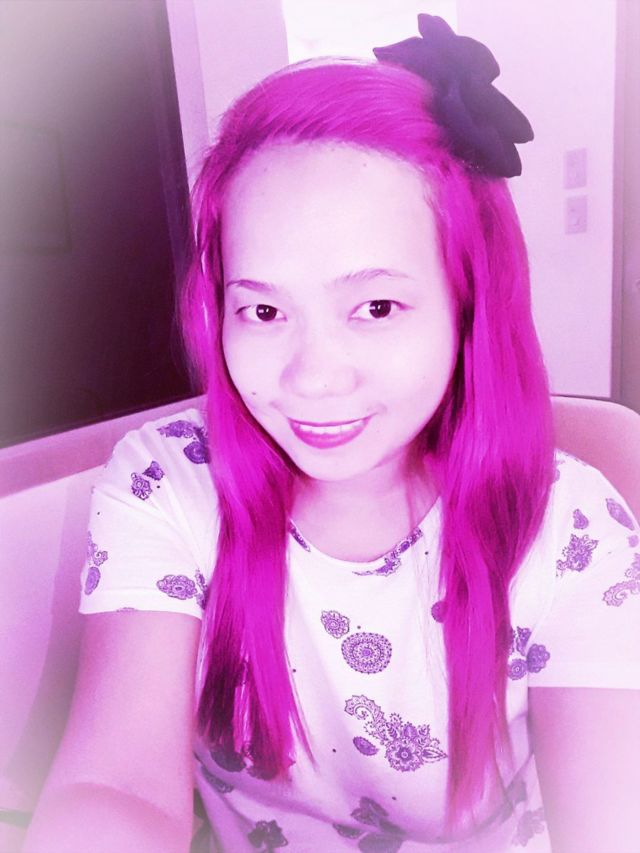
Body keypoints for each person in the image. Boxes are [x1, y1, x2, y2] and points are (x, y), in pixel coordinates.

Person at [24, 14, 640, 853]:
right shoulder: (166, 484)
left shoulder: (570, 530)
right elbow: (115, 784)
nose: (313, 377)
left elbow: (608, 823)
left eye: (376, 306)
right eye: (263, 310)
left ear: (466, 304)